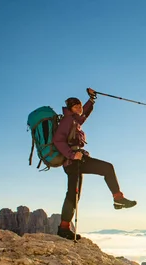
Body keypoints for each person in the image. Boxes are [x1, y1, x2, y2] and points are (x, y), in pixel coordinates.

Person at [53, 88, 136, 240]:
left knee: (73, 195)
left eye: (79, 105)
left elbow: (84, 115)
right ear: (70, 108)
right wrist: (72, 154)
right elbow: (57, 140)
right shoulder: (67, 121)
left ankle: (64, 228)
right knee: (105, 169)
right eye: (76, 106)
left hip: (76, 160)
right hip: (73, 161)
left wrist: (91, 100)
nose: (79, 108)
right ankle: (117, 199)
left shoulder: (75, 120)